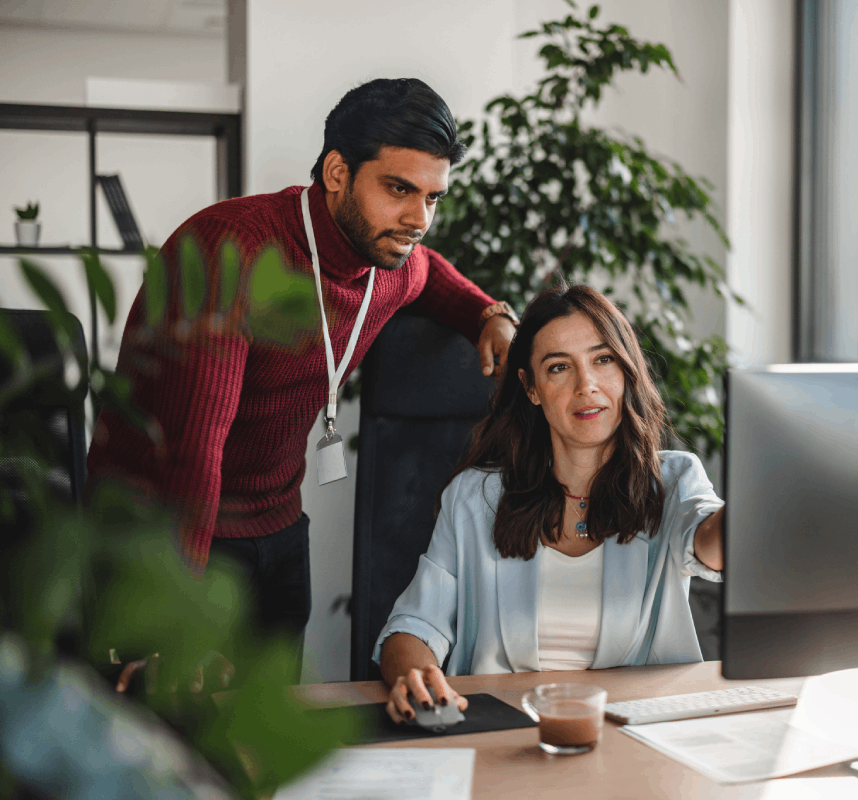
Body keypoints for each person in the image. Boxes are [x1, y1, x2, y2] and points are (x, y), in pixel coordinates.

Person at [86, 78, 518, 687]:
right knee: (170, 749)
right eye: (399, 189)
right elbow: (191, 453)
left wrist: (489, 313)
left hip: (280, 528)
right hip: (164, 536)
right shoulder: (230, 248)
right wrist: (168, 618)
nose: (420, 218)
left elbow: (431, 274)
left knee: (267, 737)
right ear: (338, 172)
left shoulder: (383, 256)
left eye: (433, 197)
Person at [373, 284, 725, 722]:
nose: (587, 385)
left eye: (603, 359)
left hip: (636, 731)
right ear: (531, 387)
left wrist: (758, 494)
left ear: (626, 371)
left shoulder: (673, 482)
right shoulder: (473, 497)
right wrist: (417, 676)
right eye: (559, 367)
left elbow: (712, 544)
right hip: (500, 732)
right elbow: (414, 626)